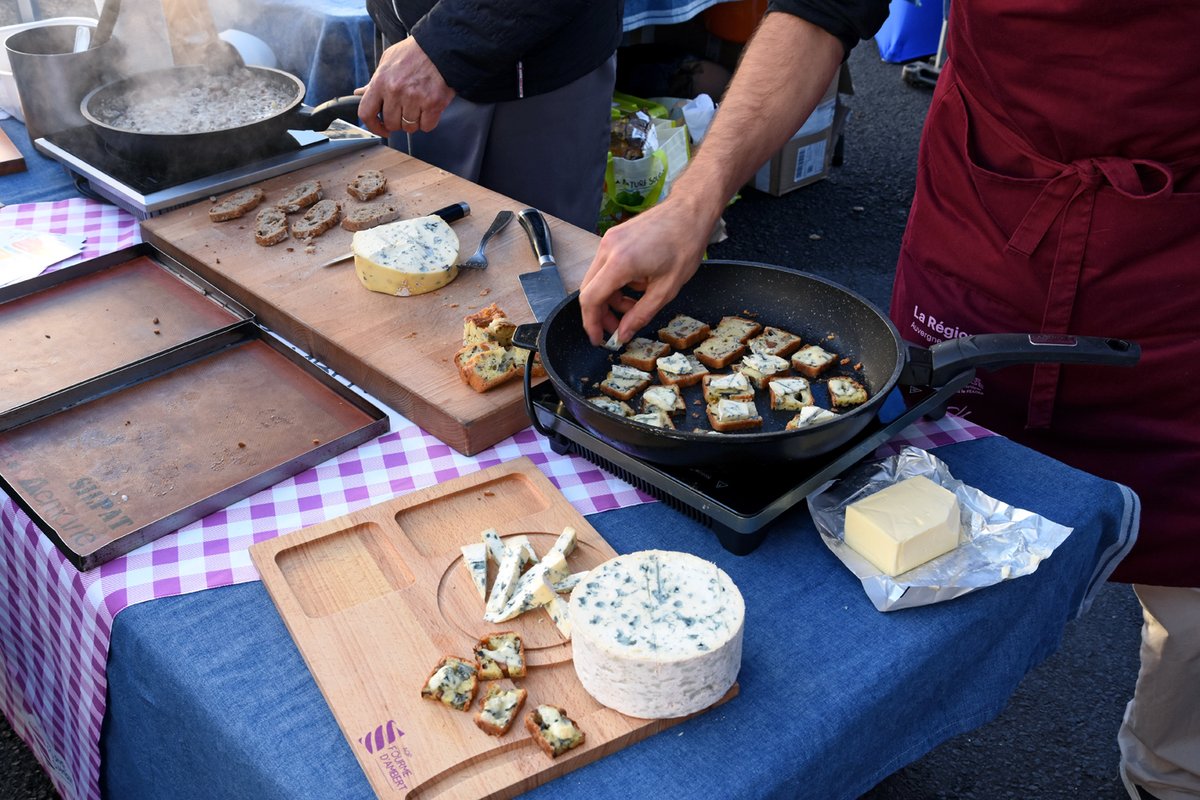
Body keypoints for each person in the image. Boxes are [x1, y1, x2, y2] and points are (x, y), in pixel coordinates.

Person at [577, 3, 1200, 799]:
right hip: (992, 222)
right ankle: (879, 751)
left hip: (1180, 279)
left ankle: (1169, 780)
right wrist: (695, 201)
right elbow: (821, 7)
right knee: (890, 540)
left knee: (1194, 626)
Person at [356, 1, 623, 232]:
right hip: (409, 54)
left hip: (533, 74)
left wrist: (441, 45)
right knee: (416, 245)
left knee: (536, 260)